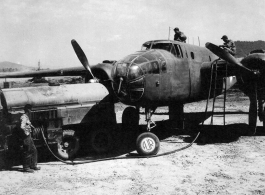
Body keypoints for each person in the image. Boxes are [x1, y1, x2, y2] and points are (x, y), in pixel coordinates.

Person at [20, 104, 40, 173]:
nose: (31, 111)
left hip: (29, 136)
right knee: (27, 151)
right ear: (28, 110)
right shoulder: (24, 117)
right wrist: (27, 132)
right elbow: (22, 126)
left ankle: (33, 165)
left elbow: (28, 124)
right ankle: (26, 167)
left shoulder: (26, 117)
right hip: (26, 136)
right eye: (30, 109)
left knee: (34, 150)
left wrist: (32, 127)